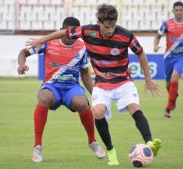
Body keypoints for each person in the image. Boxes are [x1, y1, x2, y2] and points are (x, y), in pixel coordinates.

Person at [25, 4, 162, 166]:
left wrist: (148, 78)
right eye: (106, 27)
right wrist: (42, 39)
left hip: (123, 81)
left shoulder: (126, 36)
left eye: (112, 26)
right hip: (102, 82)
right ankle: (110, 150)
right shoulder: (87, 31)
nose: (110, 30)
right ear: (98, 22)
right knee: (97, 111)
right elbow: (64, 32)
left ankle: (150, 142)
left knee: (134, 107)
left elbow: (141, 53)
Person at [17, 17, 105, 163]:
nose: (71, 38)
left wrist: (97, 97)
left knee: (82, 103)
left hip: (72, 87)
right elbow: (23, 53)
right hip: (52, 86)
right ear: (61, 31)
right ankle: (37, 146)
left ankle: (92, 142)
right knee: (44, 98)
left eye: (74, 35)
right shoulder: (48, 43)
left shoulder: (82, 47)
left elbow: (85, 75)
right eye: (67, 33)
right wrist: (21, 65)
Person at [153, 1, 183, 118]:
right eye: (176, 10)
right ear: (173, 11)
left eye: (180, 10)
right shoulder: (167, 24)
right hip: (169, 57)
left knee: (175, 77)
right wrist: (155, 45)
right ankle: (173, 97)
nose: (178, 12)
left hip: (182, 57)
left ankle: (168, 108)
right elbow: (158, 36)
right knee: (168, 84)